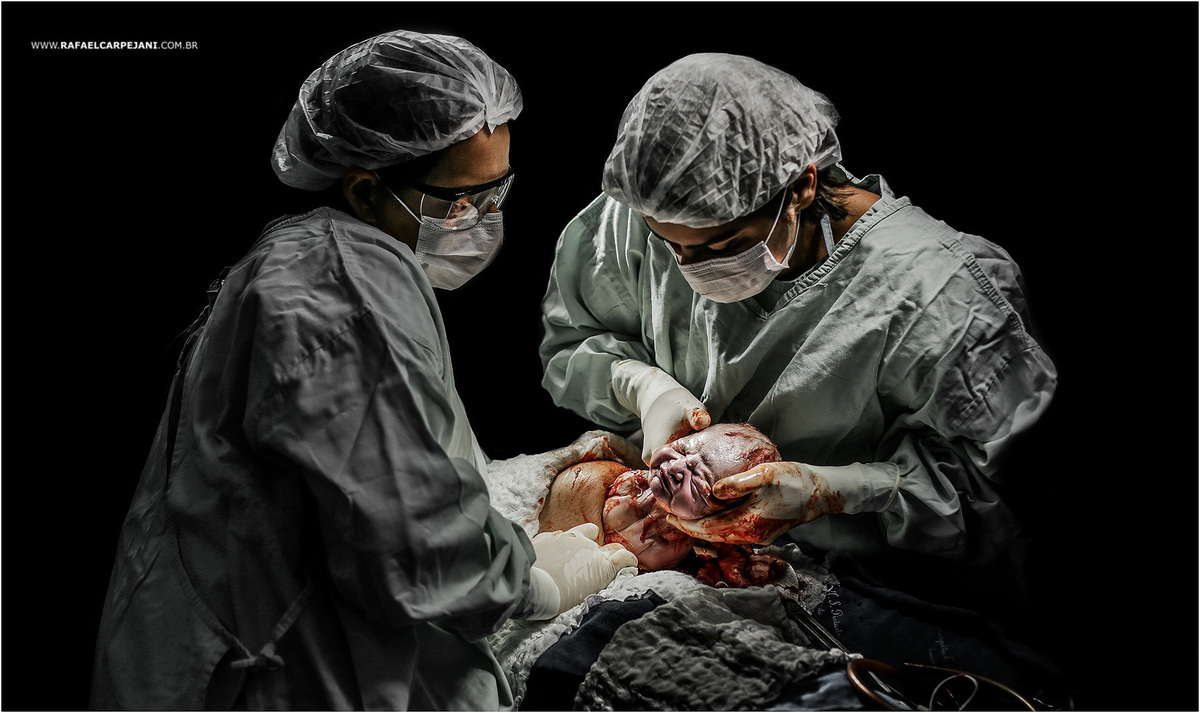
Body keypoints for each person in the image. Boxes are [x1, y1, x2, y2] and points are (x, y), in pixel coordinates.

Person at [89, 30, 635, 711]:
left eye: (498, 191)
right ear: (365, 188)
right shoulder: (343, 290)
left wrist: (524, 502)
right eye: (460, 201)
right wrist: (535, 584)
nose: (484, 220)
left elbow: (397, 471)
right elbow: (415, 548)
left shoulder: (325, 265)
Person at [539, 53, 1057, 618]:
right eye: (669, 244)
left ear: (804, 186)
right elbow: (575, 345)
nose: (688, 268)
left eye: (720, 245)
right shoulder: (649, 205)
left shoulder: (939, 294)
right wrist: (641, 386)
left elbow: (995, 498)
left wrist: (838, 492)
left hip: (875, 589)